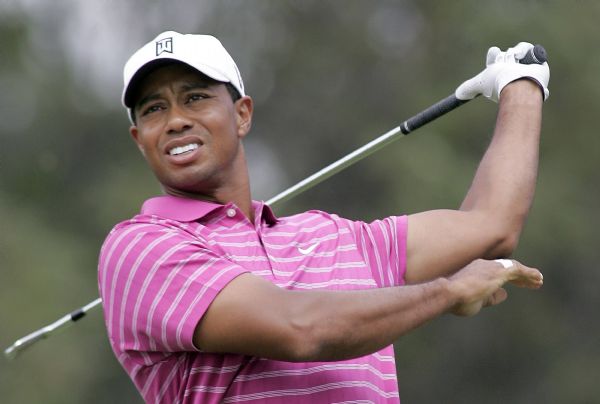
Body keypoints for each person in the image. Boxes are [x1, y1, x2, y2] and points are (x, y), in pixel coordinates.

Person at [98, 31, 548, 403]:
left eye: (194, 98)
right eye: (154, 108)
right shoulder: (140, 249)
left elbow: (492, 225)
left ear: (242, 115)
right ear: (140, 138)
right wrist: (447, 292)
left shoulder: (335, 237)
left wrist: (522, 85)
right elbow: (301, 328)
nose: (175, 120)